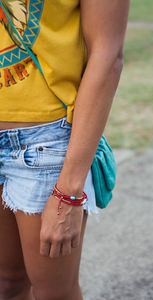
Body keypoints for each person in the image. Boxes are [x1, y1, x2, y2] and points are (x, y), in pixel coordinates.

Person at [0, 0, 130, 299]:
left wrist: (69, 192)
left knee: (54, 293)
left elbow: (107, 54)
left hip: (43, 143)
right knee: (6, 283)